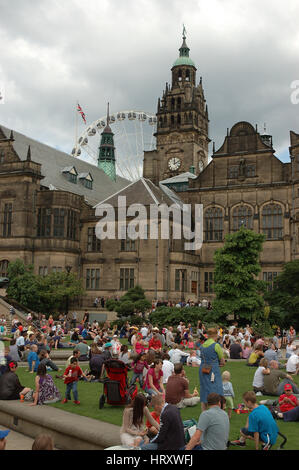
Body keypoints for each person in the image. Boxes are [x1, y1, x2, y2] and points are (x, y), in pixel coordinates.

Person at [199, 328, 225, 411]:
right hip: (213, 369)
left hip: (203, 368)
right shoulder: (216, 345)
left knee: (204, 389)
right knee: (216, 389)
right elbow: (222, 360)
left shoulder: (202, 345)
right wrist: (220, 363)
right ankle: (220, 411)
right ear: (216, 335)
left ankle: (204, 412)